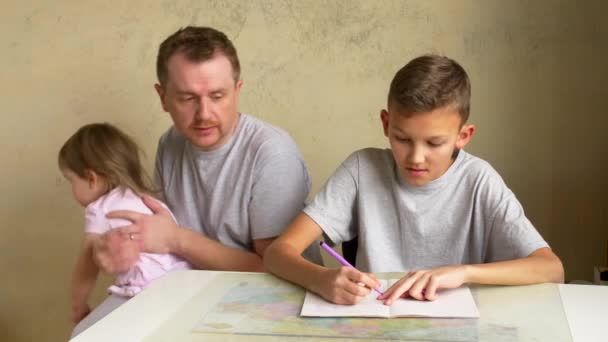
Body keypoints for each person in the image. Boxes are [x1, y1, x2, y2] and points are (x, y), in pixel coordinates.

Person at [73, 26, 320, 337]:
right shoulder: (171, 143)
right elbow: (164, 238)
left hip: (273, 301)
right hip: (197, 289)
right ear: (162, 97)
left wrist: (176, 239)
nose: (204, 114)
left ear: (238, 89)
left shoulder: (272, 153)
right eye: (187, 98)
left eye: (217, 96)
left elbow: (274, 270)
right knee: (86, 334)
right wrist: (123, 249)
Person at [264, 54, 564, 306]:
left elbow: (551, 269)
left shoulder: (479, 180)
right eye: (402, 138)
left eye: (434, 144)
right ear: (386, 123)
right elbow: (278, 253)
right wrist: (319, 278)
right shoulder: (362, 169)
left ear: (463, 136)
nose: (415, 158)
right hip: (374, 324)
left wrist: (463, 272)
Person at [59, 123, 190, 331]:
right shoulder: (149, 201)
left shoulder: (100, 208)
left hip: (146, 292)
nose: (71, 189)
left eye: (71, 181)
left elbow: (86, 267)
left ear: (91, 178)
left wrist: (78, 306)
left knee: (83, 334)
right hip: (184, 285)